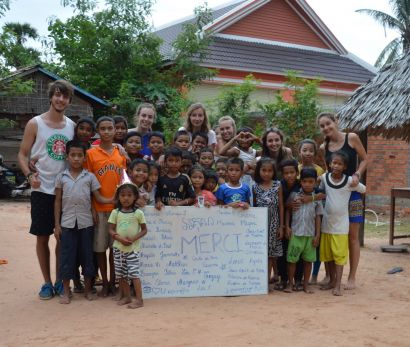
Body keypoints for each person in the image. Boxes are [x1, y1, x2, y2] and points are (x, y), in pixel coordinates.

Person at [18, 79, 75, 299]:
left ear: (69, 101)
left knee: (62, 238)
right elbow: (23, 154)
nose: (61, 99)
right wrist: (29, 174)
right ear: (51, 97)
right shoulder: (35, 123)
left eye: (65, 96)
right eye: (57, 95)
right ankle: (46, 282)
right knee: (42, 237)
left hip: (64, 190)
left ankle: (61, 280)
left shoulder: (71, 126)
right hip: (41, 189)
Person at [54, 140, 113, 304]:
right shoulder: (61, 177)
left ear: (84, 157)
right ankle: (67, 291)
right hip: (66, 224)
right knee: (67, 257)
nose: (76, 158)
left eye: (80, 155)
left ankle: (87, 290)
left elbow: (99, 197)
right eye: (73, 155)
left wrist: (115, 199)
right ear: (67, 156)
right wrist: (57, 225)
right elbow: (57, 202)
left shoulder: (90, 177)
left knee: (87, 256)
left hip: (86, 223)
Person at [317, 112, 367, 290]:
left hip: (352, 192)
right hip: (334, 195)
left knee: (352, 236)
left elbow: (365, 159)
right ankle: (330, 276)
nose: (326, 128)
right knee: (330, 233)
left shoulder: (351, 138)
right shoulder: (324, 147)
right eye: (322, 126)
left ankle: (351, 277)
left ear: (336, 121)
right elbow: (326, 169)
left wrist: (357, 174)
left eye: (328, 123)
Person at [85, 116, 127, 297]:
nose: (108, 132)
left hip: (117, 210)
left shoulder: (120, 154)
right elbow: (86, 184)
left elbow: (124, 181)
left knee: (114, 250)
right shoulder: (90, 154)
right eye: (103, 128)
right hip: (100, 209)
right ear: (98, 131)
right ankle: (105, 283)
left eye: (110, 128)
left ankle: (112, 281)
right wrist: (92, 208)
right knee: (100, 249)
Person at [284, 168, 323, 294]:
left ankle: (306, 285)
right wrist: (287, 226)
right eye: (304, 181)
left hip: (310, 235)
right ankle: (291, 284)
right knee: (292, 260)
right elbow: (288, 211)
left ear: (315, 183)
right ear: (300, 182)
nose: (307, 184)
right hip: (296, 233)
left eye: (310, 181)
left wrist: (317, 235)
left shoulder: (316, 199)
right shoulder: (294, 195)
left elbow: (318, 217)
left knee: (308, 261)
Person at [108, 183, 147, 309]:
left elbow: (144, 230)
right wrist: (119, 238)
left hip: (132, 249)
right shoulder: (115, 212)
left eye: (129, 195)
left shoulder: (139, 213)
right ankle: (127, 297)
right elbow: (111, 229)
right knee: (121, 274)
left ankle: (139, 300)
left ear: (135, 197)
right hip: (118, 249)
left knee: (134, 274)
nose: (126, 198)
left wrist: (133, 239)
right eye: (123, 195)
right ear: (118, 197)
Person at [252, 157, 284, 286]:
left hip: (274, 223)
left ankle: (266, 281)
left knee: (271, 253)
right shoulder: (255, 187)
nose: (266, 173)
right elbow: (253, 207)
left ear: (273, 172)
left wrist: (281, 226)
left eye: (269, 171)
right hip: (260, 225)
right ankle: (259, 279)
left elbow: (280, 206)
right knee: (260, 252)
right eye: (263, 170)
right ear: (258, 171)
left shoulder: (278, 185)